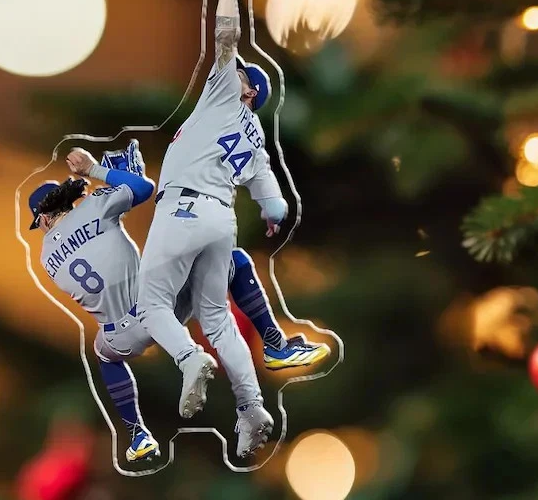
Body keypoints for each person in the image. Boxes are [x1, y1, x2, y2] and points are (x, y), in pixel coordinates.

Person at [29, 141, 329, 462]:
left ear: (44, 220)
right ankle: (273, 344)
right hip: (160, 304)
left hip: (121, 333)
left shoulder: (46, 257)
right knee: (235, 262)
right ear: (66, 200)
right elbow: (143, 189)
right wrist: (105, 173)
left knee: (105, 357)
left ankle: (138, 434)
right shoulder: (92, 206)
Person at [133, 0, 293, 457]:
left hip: (182, 210)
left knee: (151, 302)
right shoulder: (254, 139)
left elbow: (225, 36)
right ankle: (252, 410)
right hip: (220, 221)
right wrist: (272, 213)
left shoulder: (227, 93)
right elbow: (273, 201)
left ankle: (187, 359)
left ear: (246, 91)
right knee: (218, 320)